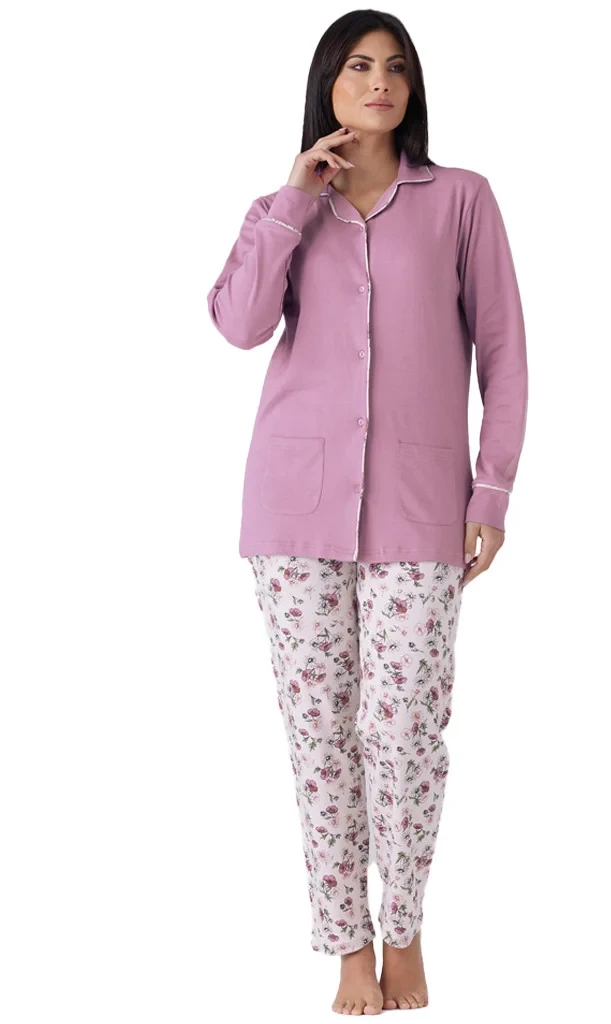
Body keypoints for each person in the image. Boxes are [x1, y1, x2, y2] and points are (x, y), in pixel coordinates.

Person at [206, 9, 528, 1014]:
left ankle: (405, 929)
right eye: (357, 66)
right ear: (327, 86)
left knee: (405, 733)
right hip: (293, 510)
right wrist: (292, 202)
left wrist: (492, 487)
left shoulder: (462, 199)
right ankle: (346, 945)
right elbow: (237, 325)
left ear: (412, 88)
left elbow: (503, 352)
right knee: (319, 738)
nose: (378, 81)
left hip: (420, 508)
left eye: (394, 67)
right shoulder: (285, 206)